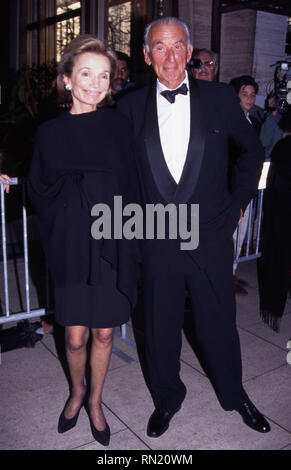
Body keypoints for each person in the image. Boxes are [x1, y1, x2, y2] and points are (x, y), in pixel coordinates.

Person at [118, 16, 270, 437]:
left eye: (178, 45)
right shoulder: (128, 108)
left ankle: (234, 393)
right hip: (155, 240)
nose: (171, 56)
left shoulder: (220, 97)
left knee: (218, 321)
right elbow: (111, 169)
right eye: (160, 48)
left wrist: (238, 206)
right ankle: (167, 398)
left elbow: (252, 152)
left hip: (210, 236)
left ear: (190, 50)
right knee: (159, 325)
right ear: (147, 56)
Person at [27, 35, 138, 446]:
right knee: (74, 336)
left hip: (110, 241)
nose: (95, 83)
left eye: (104, 76)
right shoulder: (50, 133)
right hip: (71, 243)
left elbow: (132, 184)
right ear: (68, 79)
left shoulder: (117, 125)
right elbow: (39, 188)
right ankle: (76, 392)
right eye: (86, 74)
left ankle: (96, 401)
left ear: (112, 83)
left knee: (105, 333)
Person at [258, 105, 291, 331]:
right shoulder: (283, 147)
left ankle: (273, 307)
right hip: (284, 215)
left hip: (281, 219)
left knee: (278, 260)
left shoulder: (283, 148)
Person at [229, 75, 262, 295]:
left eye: (252, 95)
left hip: (247, 189)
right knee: (229, 237)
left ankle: (230, 274)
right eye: (245, 94)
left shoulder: (254, 121)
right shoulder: (230, 122)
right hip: (232, 190)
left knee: (240, 237)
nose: (249, 99)